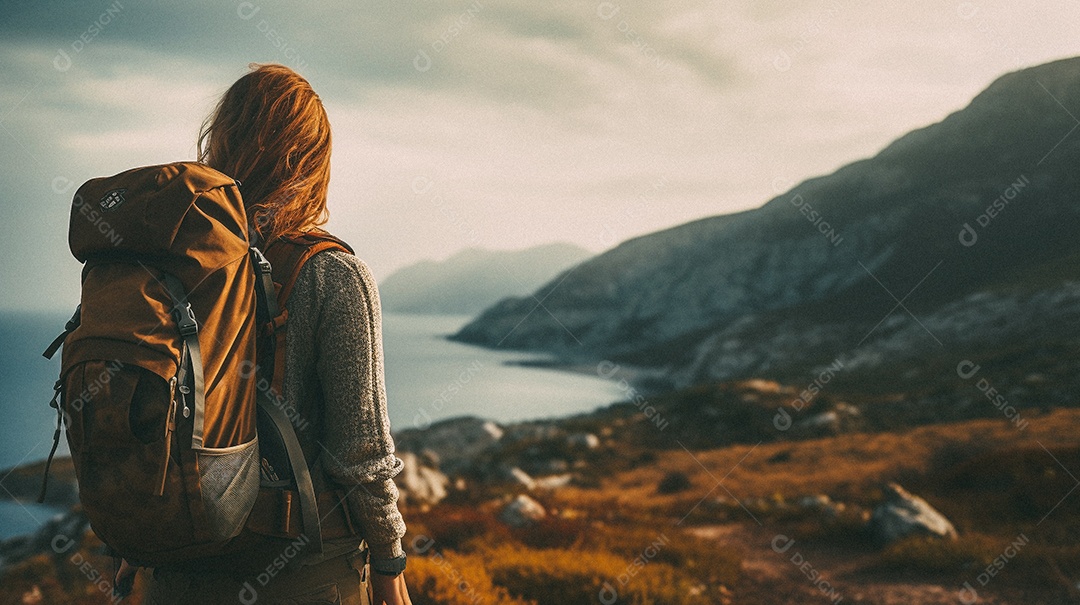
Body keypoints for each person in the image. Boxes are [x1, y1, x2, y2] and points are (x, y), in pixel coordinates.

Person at [130, 63, 412, 605]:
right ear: (310, 161)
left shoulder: (168, 267)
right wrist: (389, 561)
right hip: (302, 572)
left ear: (223, 141)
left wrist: (130, 552)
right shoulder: (333, 273)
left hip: (174, 569)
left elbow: (141, 414)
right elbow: (361, 453)